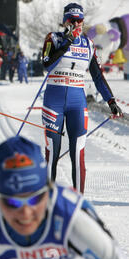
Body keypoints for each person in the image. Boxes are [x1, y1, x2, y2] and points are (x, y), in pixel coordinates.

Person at [0, 136, 129, 259]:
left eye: (36, 198)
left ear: (49, 190)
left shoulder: (70, 215)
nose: (26, 213)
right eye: (12, 202)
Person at [41, 3, 123, 194]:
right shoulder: (53, 38)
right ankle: (47, 200)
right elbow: (46, 64)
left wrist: (111, 101)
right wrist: (67, 41)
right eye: (73, 20)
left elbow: (97, 76)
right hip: (54, 100)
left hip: (77, 102)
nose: (77, 24)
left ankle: (79, 200)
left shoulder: (88, 44)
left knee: (78, 152)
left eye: (80, 20)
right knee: (52, 152)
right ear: (65, 21)